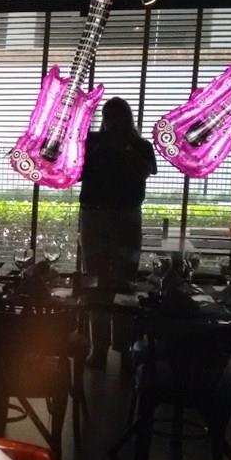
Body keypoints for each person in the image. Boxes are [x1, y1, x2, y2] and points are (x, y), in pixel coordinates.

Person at [79, 97, 156, 368]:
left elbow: (146, 170)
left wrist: (123, 148)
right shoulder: (91, 142)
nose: (112, 122)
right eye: (109, 116)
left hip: (118, 215)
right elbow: (75, 169)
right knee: (99, 282)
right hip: (104, 214)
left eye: (117, 116)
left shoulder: (139, 146)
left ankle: (120, 348)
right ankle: (103, 348)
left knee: (122, 282)